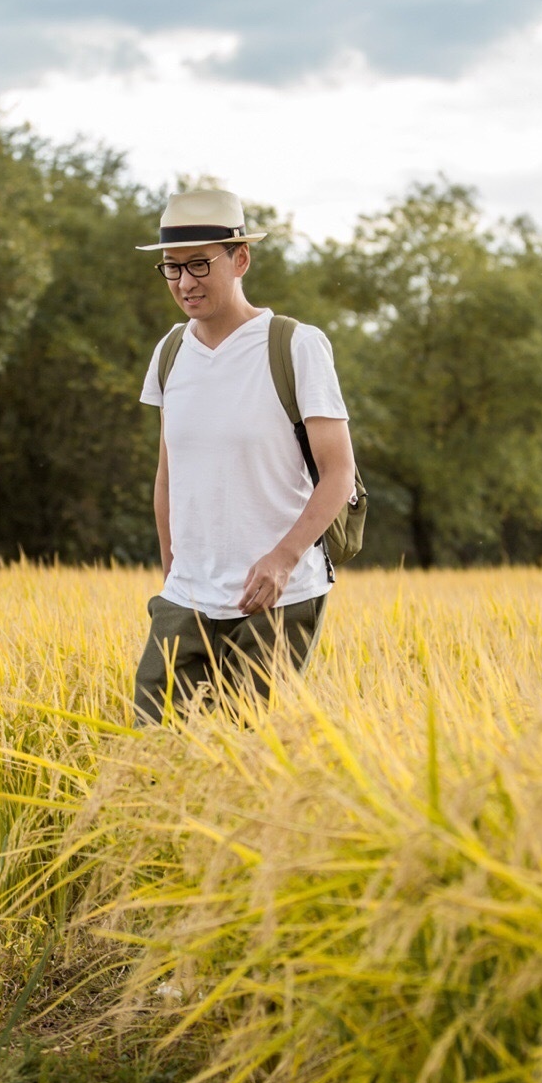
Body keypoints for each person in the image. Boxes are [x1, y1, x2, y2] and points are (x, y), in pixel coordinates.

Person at [132, 188, 356, 724]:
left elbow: (339, 472)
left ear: (240, 259)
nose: (185, 283)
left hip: (278, 599)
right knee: (150, 751)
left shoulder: (295, 346)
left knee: (247, 757)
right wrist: (171, 571)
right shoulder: (170, 353)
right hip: (187, 595)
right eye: (172, 268)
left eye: (199, 265)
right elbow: (169, 474)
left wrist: (283, 559)